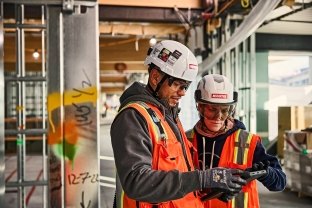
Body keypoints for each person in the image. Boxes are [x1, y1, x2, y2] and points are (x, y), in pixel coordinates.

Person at [110, 40, 247, 208]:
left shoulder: (168, 115)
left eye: (186, 86)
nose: (182, 93)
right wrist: (201, 178)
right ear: (155, 77)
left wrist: (210, 187)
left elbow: (180, 175)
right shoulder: (134, 117)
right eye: (177, 84)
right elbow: (136, 182)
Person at [187, 74, 286, 208]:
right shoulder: (185, 139)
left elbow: (280, 183)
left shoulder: (248, 142)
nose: (219, 117)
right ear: (200, 107)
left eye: (225, 110)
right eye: (212, 109)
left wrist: (267, 173)